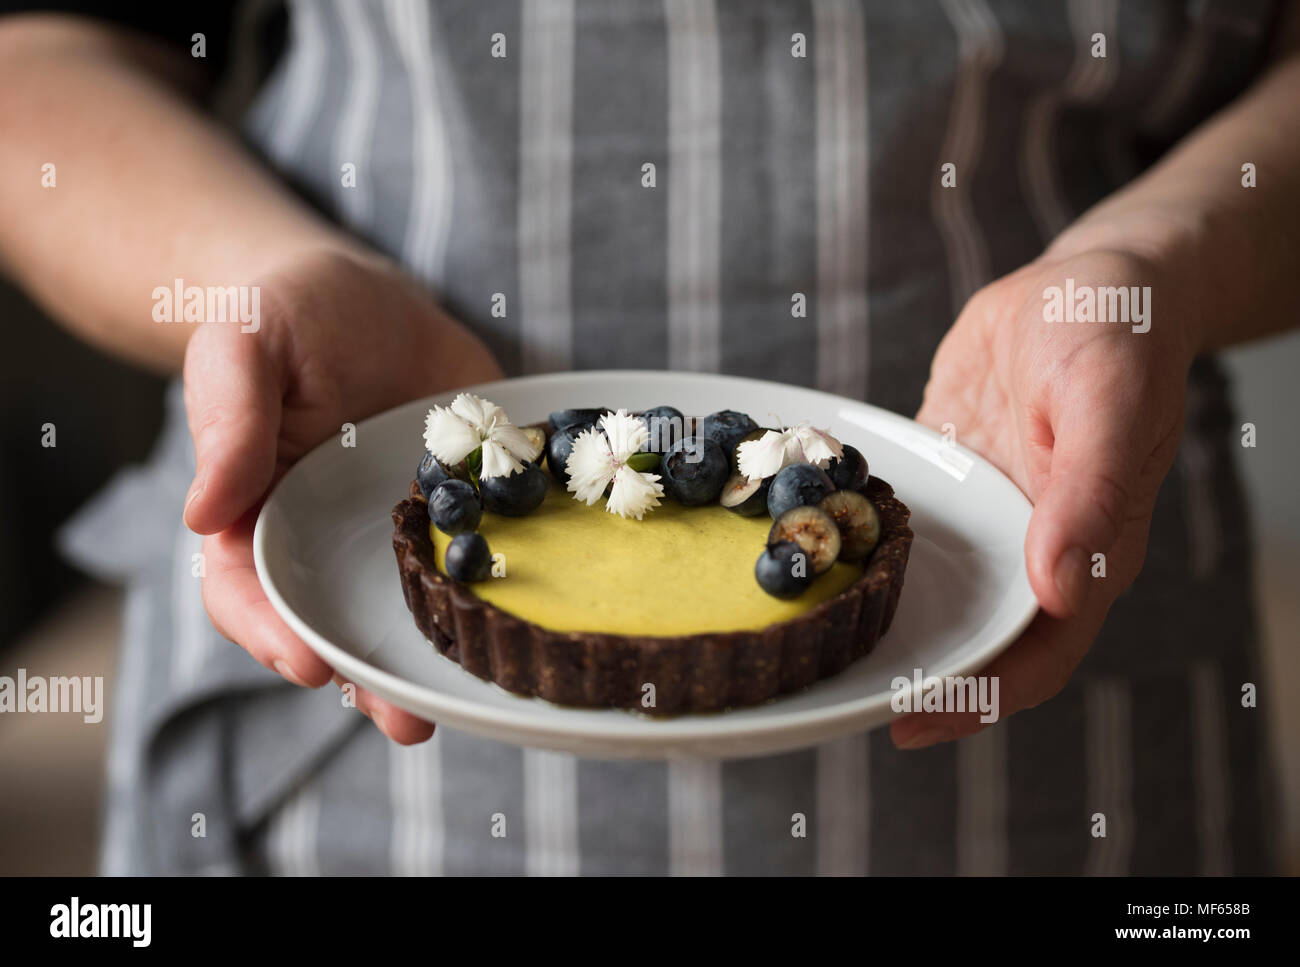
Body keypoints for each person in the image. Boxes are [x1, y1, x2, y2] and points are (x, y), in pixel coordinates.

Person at [0, 0, 1291, 875]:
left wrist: (1150, 268)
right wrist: (256, 279)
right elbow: (41, 58)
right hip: (361, 703)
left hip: (1044, 638)